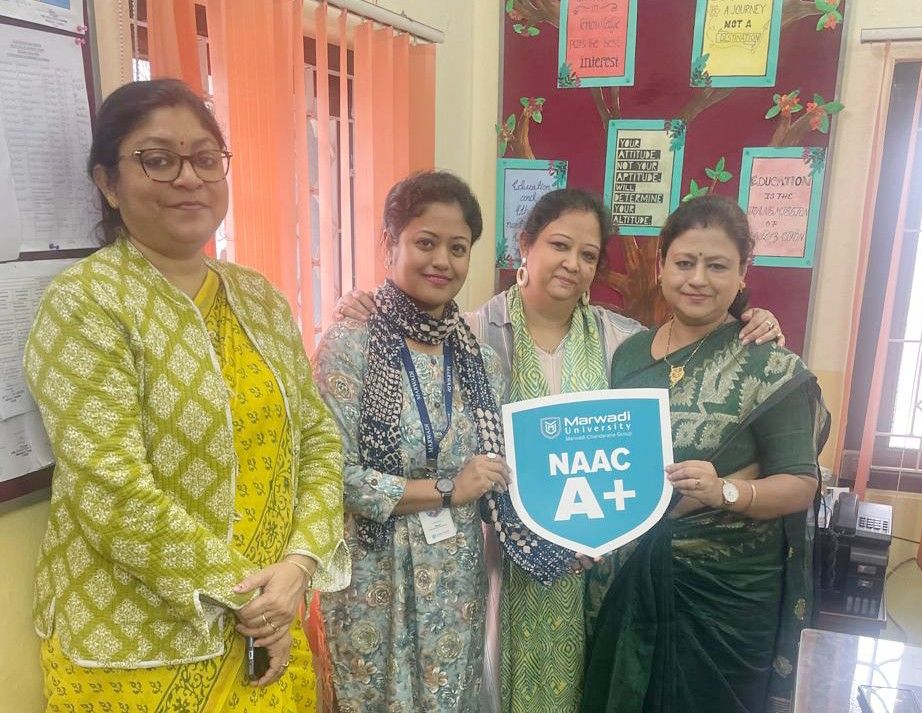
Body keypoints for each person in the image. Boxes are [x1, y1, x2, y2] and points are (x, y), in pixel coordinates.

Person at [334, 188, 786, 713]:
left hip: (597, 555)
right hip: (498, 552)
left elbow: (678, 385)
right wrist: (362, 306)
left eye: (588, 255)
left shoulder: (623, 341)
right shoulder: (473, 333)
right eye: (559, 245)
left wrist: (752, 321)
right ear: (524, 246)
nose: (573, 263)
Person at [23, 79, 349, 712]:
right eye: (158, 159)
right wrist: (253, 597)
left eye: (205, 158)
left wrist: (299, 566)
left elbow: (317, 438)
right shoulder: (85, 305)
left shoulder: (257, 297)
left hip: (267, 623)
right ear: (108, 183)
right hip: (138, 644)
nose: (189, 178)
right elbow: (109, 488)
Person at [581, 195, 830, 713]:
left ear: (743, 274)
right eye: (684, 262)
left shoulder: (769, 365)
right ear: (661, 267)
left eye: (717, 266)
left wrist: (726, 491)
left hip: (727, 598)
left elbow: (800, 484)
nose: (698, 279)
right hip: (629, 577)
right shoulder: (628, 353)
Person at [312, 171, 511, 712]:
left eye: (458, 248)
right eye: (426, 242)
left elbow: (497, 471)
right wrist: (449, 488)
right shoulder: (349, 345)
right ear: (390, 243)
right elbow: (336, 475)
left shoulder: (482, 363)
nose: (441, 261)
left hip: (455, 577)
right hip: (374, 577)